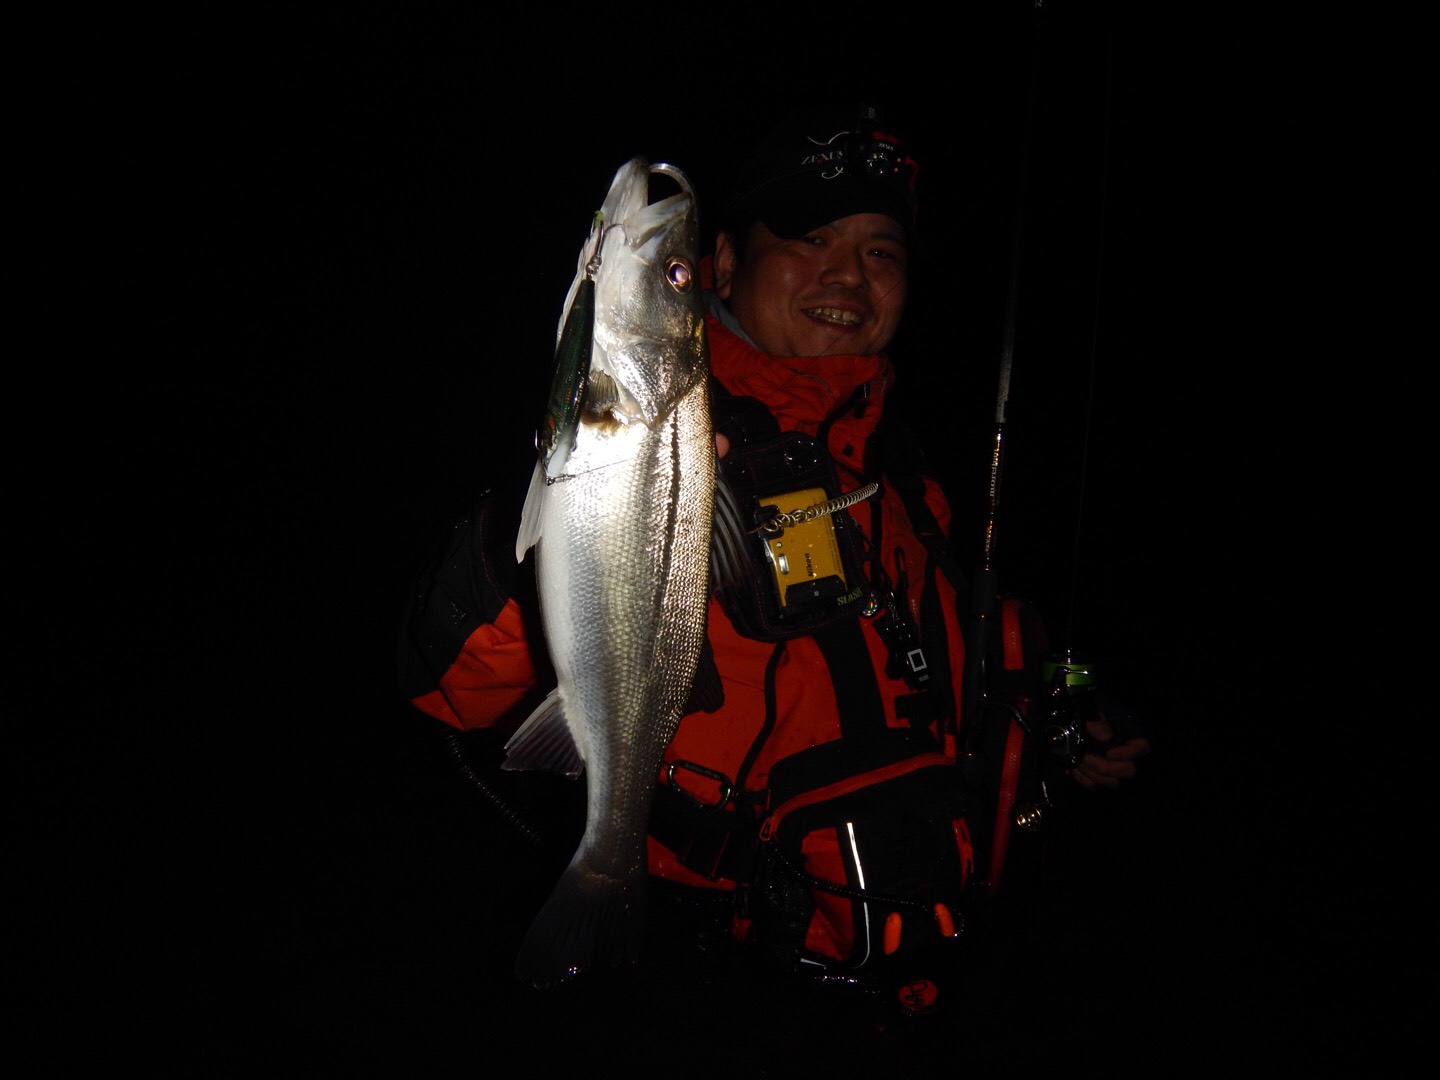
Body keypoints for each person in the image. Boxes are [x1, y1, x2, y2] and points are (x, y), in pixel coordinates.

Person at [397, 100, 1150, 997]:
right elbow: (448, 685)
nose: (849, 275)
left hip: (909, 958)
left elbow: (946, 656)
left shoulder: (901, 475)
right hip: (718, 978)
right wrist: (543, 526)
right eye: (810, 237)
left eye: (881, 252)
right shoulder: (675, 440)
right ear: (721, 262)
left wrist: (1061, 705)